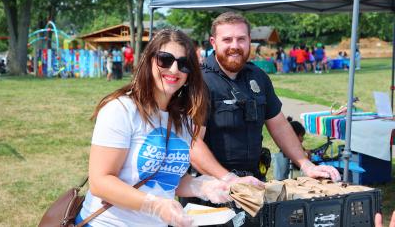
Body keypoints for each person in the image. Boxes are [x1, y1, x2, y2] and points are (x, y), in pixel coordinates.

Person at [189, 12, 340, 226]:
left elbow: (279, 125)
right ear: (213, 42)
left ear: (250, 40)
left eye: (241, 39)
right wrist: (229, 179)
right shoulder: (200, 82)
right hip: (211, 193)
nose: (235, 45)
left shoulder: (258, 77)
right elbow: (192, 144)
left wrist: (306, 164)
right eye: (227, 39)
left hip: (253, 188)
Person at [75, 29, 231, 227]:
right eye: (165, 60)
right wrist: (156, 206)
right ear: (148, 61)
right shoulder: (121, 109)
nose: (174, 69)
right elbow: (100, 182)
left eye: (183, 64)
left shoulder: (184, 120)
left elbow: (167, 180)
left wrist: (203, 187)